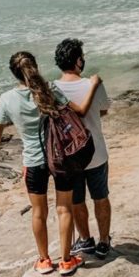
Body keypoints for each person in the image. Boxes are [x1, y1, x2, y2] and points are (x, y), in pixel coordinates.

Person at [0, 51, 101, 276]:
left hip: (33, 163)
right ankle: (66, 261)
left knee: (38, 212)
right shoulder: (50, 90)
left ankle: (44, 260)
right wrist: (92, 85)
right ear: (35, 67)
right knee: (64, 209)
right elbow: (79, 112)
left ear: (14, 74)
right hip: (60, 159)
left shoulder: (6, 99)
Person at [53, 38, 112, 259]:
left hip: (69, 157)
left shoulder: (52, 89)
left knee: (77, 201)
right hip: (96, 152)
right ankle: (104, 242)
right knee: (101, 197)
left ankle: (86, 240)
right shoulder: (92, 84)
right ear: (78, 60)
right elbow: (104, 109)